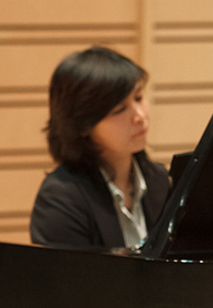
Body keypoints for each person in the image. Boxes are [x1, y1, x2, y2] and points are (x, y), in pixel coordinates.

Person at [30, 46, 169, 252]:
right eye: (120, 109)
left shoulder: (160, 179)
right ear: (83, 124)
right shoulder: (61, 199)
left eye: (139, 98)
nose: (140, 115)